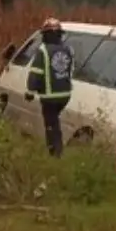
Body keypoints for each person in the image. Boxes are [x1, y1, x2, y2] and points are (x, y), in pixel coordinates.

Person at [25, 18, 73, 157]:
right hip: (65, 95)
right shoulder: (67, 50)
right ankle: (56, 149)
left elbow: (35, 74)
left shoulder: (43, 51)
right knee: (54, 119)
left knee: (51, 124)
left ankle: (55, 151)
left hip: (49, 96)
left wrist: (30, 92)